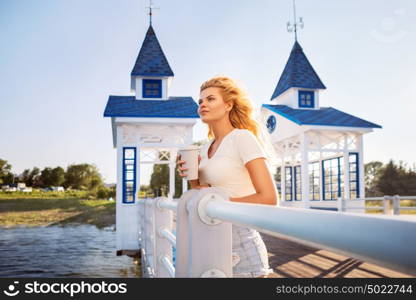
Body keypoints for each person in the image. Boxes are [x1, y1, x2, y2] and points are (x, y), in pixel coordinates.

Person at [176, 76, 279, 278]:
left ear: (228, 105)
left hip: (242, 246)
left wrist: (218, 208)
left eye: (210, 99)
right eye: (200, 101)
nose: (202, 104)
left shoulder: (242, 138)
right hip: (210, 245)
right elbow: (203, 195)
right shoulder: (205, 148)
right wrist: (192, 177)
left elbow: (269, 198)